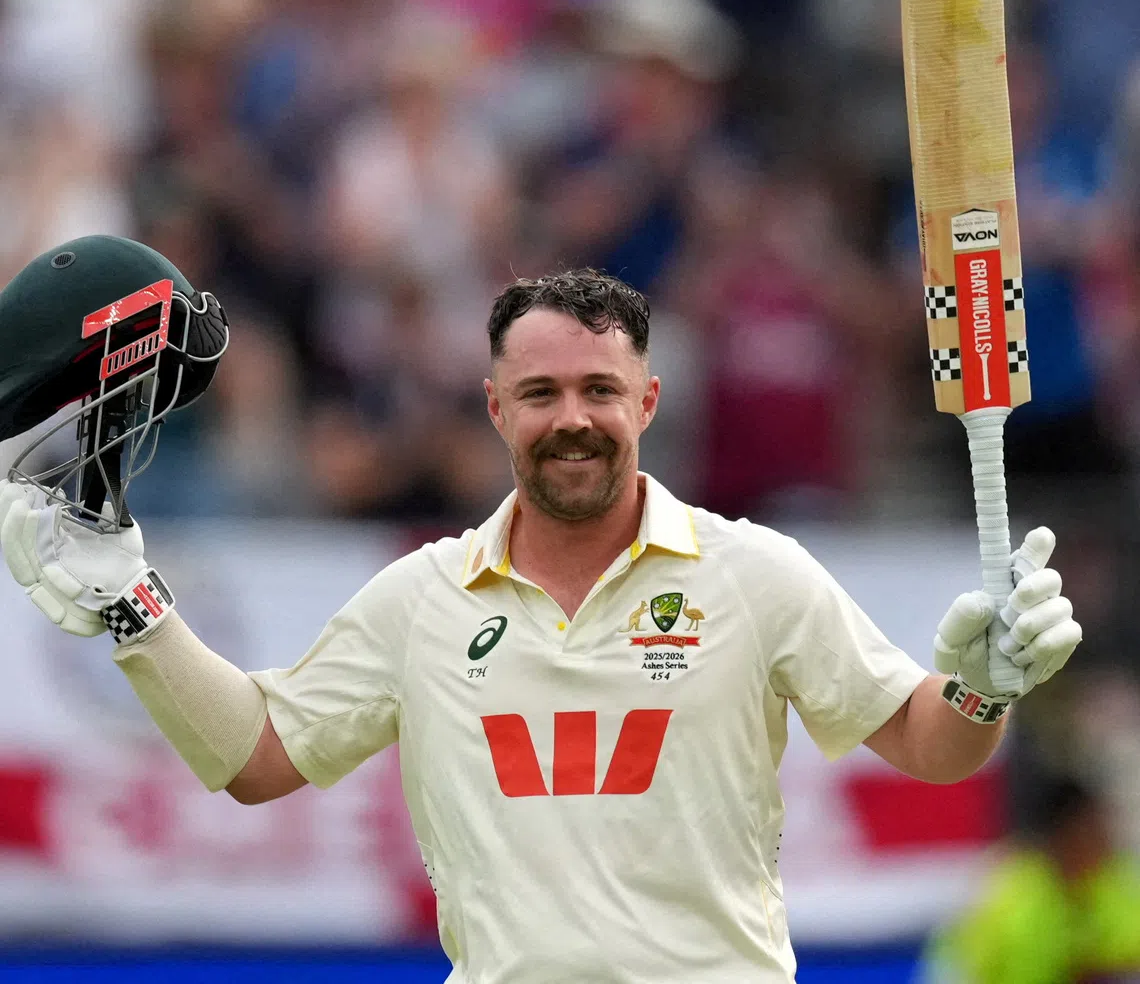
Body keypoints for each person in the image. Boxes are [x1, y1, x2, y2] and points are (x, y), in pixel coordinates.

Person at [0, 268, 1083, 983]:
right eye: (544, 392)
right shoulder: (424, 596)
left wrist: (985, 684)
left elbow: (933, 748)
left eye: (601, 391)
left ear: (648, 402)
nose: (574, 419)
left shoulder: (755, 574)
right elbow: (254, 759)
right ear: (496, 407)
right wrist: (134, 611)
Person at [922, 776, 1140, 984]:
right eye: (1093, 828)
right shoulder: (1017, 902)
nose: (1106, 837)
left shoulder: (1110, 880)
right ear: (1066, 834)